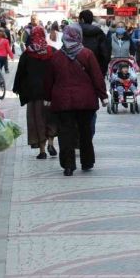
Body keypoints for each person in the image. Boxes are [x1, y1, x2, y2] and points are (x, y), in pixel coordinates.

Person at [44, 25, 108, 176]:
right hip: (85, 101)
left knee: (65, 133)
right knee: (85, 131)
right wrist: (103, 95)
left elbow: (49, 80)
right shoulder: (87, 54)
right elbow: (96, 76)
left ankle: (68, 165)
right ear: (79, 36)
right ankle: (86, 162)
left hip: (63, 101)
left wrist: (47, 98)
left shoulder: (57, 56)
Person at [13, 26, 58, 160]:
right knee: (51, 118)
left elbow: (20, 74)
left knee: (37, 120)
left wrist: (17, 89)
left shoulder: (27, 54)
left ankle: (42, 151)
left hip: (33, 94)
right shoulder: (53, 51)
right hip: (50, 93)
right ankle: (51, 142)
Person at [78, 10, 109, 76]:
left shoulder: (73, 32)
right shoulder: (99, 32)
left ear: (82, 20)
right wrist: (102, 72)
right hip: (95, 69)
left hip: (77, 70)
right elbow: (105, 54)